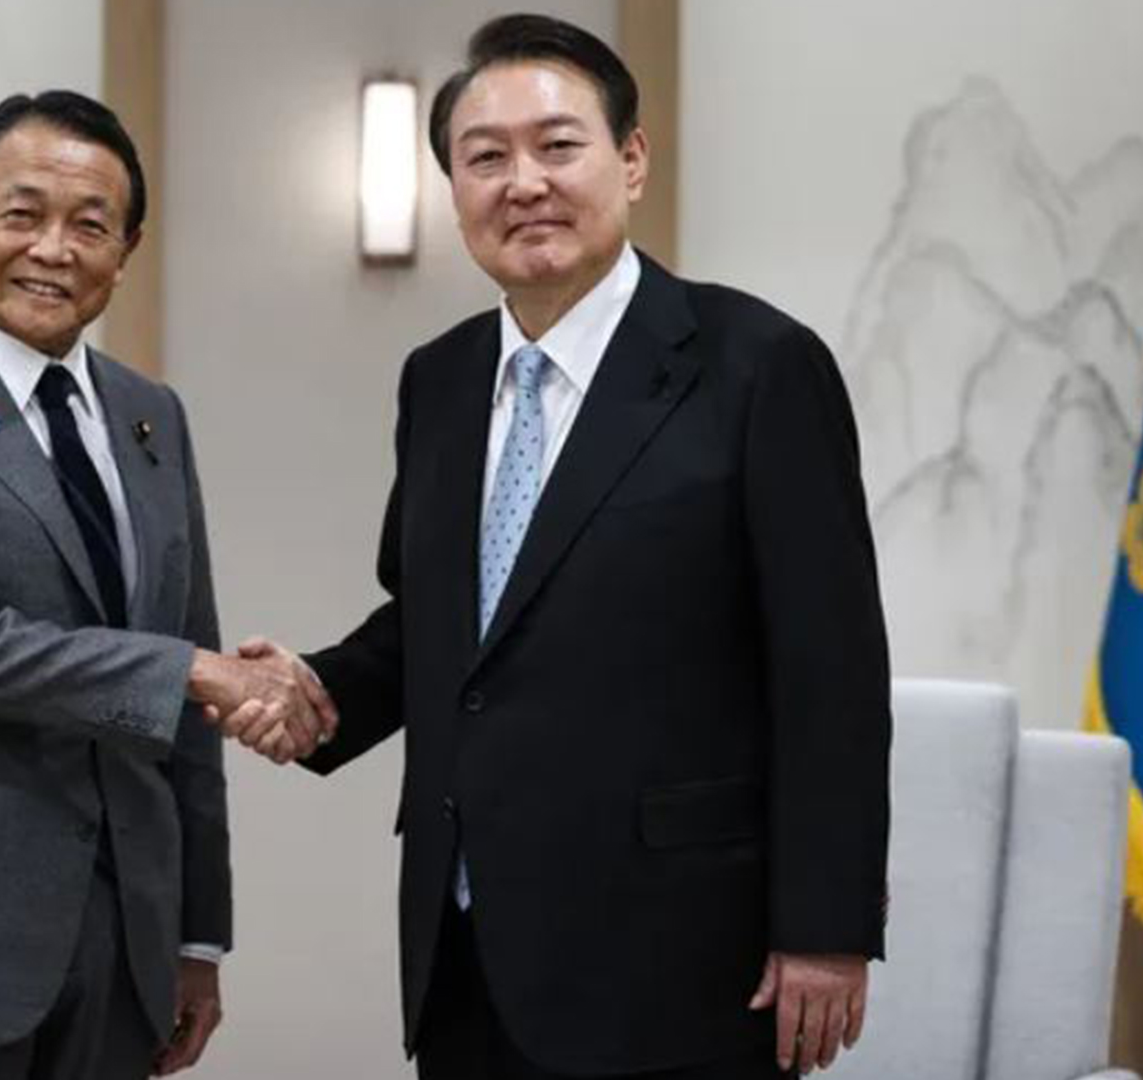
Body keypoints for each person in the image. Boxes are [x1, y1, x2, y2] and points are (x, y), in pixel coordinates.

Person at [218, 15, 891, 1079]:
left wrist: (826, 925)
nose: (523, 182)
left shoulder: (757, 364)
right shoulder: (440, 380)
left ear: (632, 160)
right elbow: (446, 626)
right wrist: (312, 691)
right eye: (486, 158)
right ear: (453, 191)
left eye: (558, 146)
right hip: (467, 947)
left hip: (680, 957)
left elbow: (832, 669)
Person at [0, 91, 330, 1080]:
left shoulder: (150, 415)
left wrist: (197, 936)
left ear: (126, 252)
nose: (53, 249)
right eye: (22, 213)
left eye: (90, 225)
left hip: (127, 944)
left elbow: (186, 701)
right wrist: (197, 671)